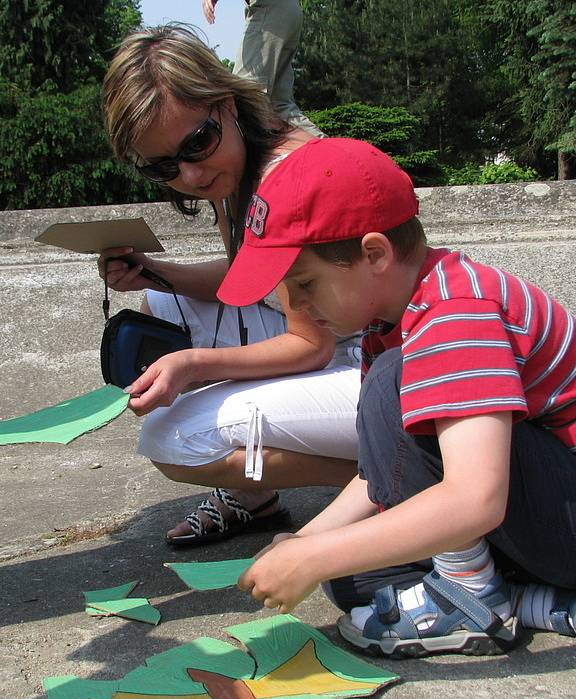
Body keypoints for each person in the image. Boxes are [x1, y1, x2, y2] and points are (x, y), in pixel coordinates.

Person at [215, 137, 576, 658]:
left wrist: (314, 558)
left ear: (374, 253)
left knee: (389, 384)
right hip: (545, 515)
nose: (292, 304)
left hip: (559, 510)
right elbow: (385, 473)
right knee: (352, 579)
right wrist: (305, 544)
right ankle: (529, 599)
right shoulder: (395, 322)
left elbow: (476, 498)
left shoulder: (455, 312)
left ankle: (475, 597)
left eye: (306, 283)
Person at [99, 24, 360, 546]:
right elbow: (250, 278)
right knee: (159, 305)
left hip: (376, 362)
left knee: (171, 439)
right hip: (333, 343)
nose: (190, 176)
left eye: (198, 143)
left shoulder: (286, 176)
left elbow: (311, 344)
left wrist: (193, 365)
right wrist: (156, 271)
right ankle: (255, 495)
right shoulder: (236, 169)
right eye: (163, 167)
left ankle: (398, 480)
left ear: (226, 103)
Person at [201, 0, 323, 137]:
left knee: (242, 100)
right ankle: (331, 151)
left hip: (268, 10)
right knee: (279, 108)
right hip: (286, 10)